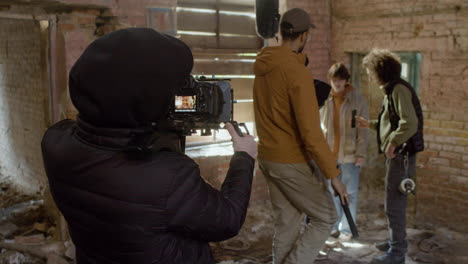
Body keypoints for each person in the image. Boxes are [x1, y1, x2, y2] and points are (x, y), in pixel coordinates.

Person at [41, 28, 257, 264]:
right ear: (145, 103)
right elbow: (227, 220)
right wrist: (244, 157)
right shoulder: (168, 177)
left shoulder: (55, 142)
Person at [253, 8, 349, 264]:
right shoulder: (296, 73)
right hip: (290, 160)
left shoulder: (264, 66)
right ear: (304, 36)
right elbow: (311, 133)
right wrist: (334, 176)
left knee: (288, 223)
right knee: (326, 216)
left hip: (268, 156)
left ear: (281, 32)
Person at [356, 48, 424, 264]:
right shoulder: (392, 89)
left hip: (402, 156)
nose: (369, 75)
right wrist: (371, 124)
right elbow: (392, 122)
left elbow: (409, 123)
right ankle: (396, 241)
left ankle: (397, 252)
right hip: (397, 155)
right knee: (393, 203)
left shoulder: (398, 90)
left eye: (370, 71)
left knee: (394, 205)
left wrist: (393, 142)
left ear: (380, 70)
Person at [320, 63, 369, 239]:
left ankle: (347, 229)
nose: (337, 84)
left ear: (346, 81)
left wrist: (361, 154)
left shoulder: (358, 100)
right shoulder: (325, 99)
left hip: (350, 156)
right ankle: (333, 226)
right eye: (334, 80)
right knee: (332, 193)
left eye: (340, 80)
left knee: (350, 194)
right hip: (329, 156)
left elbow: (363, 129)